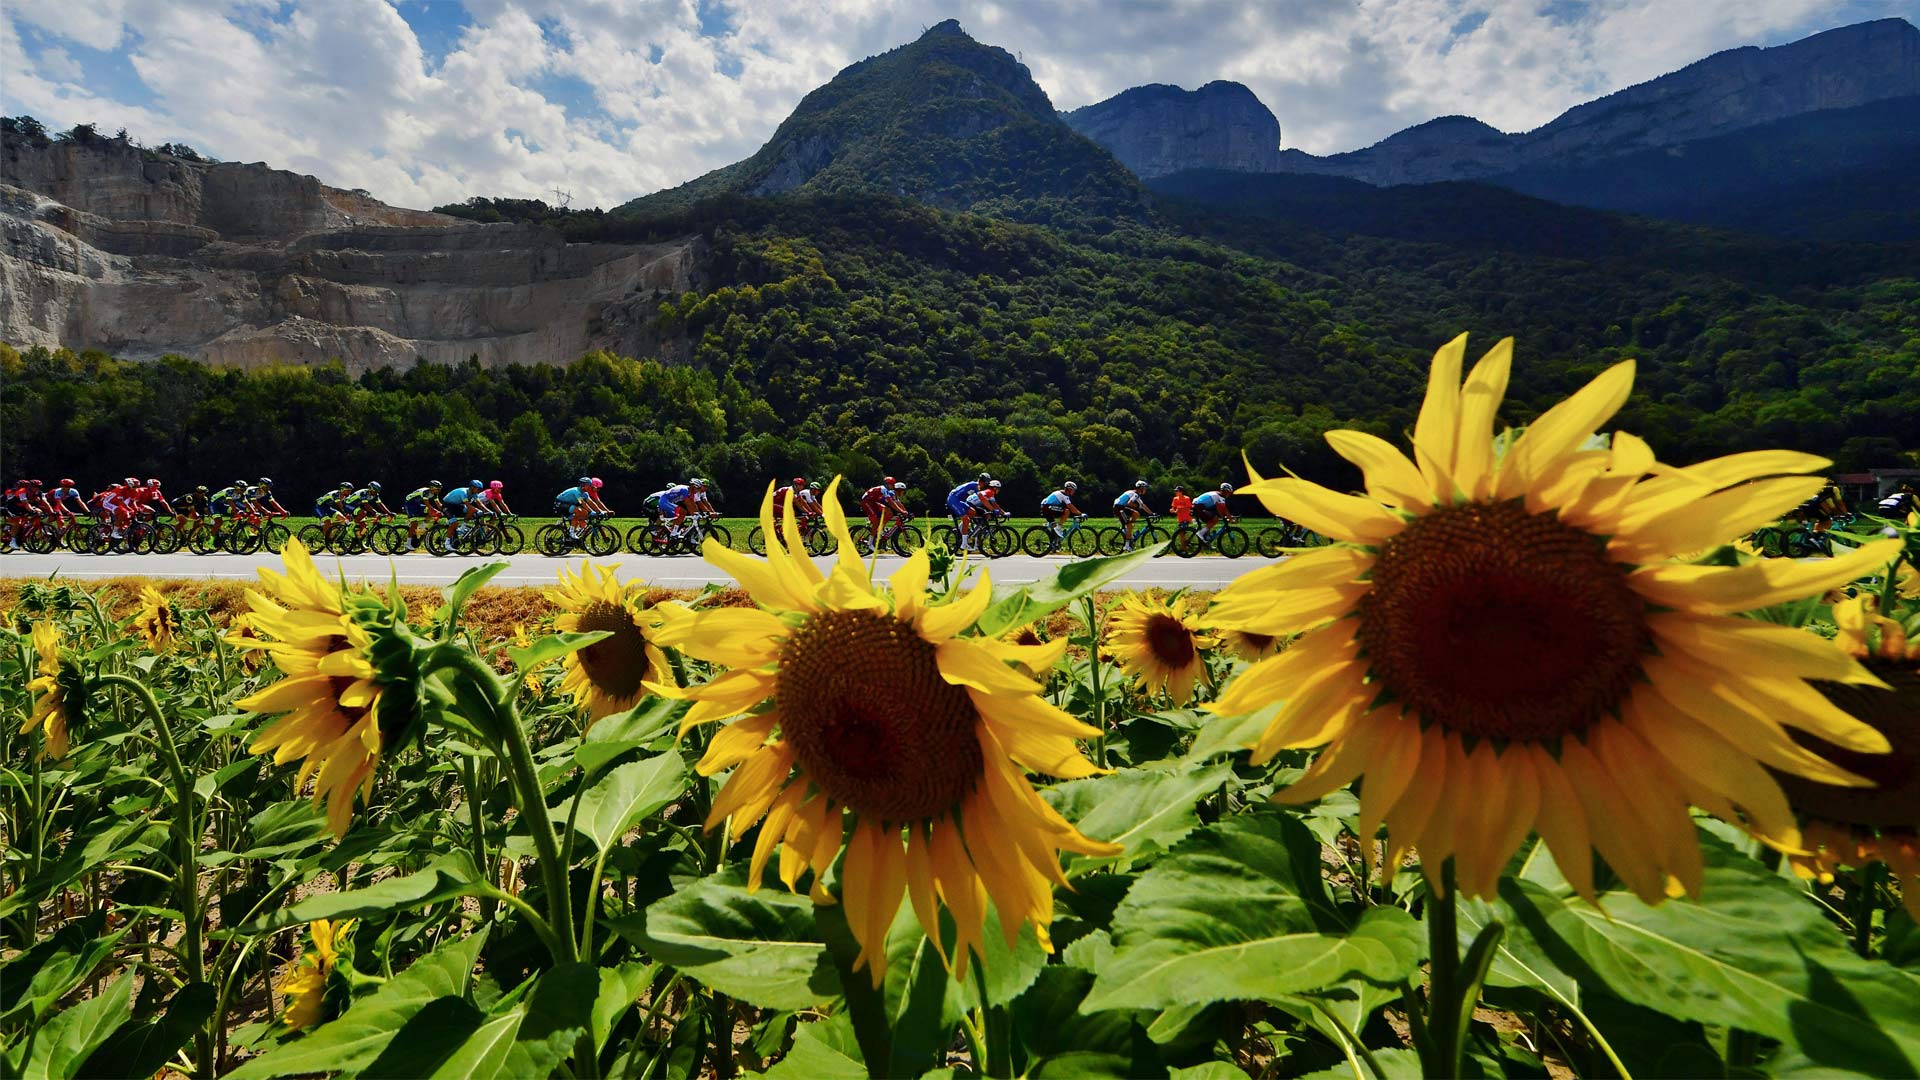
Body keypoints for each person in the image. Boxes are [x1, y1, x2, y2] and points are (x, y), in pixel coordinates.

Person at [960, 479, 1006, 552]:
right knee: (985, 517)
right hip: (971, 504)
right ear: (994, 488)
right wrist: (1004, 513)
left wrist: (998, 512)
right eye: (998, 489)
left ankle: (975, 540)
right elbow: (995, 505)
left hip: (972, 503)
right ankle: (973, 536)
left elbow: (991, 505)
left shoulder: (988, 492)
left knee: (986, 517)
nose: (999, 490)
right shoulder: (990, 492)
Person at [947, 473, 988, 546]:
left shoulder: (975, 485)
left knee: (973, 512)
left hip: (958, 500)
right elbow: (983, 499)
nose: (986, 485)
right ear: (982, 482)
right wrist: (992, 509)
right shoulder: (976, 486)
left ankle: (960, 530)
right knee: (966, 519)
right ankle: (964, 543)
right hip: (953, 499)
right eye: (986, 483)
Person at [1113, 480, 1154, 551]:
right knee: (1131, 524)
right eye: (1144, 488)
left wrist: (1152, 513)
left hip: (1120, 507)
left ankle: (1127, 530)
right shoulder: (1135, 494)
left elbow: (1143, 505)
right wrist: (1137, 507)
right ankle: (1127, 546)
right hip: (1119, 507)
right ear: (1140, 488)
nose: (1145, 490)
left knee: (1136, 515)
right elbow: (1130, 503)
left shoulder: (1135, 494)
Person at [403, 480, 444, 549]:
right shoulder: (426, 492)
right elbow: (427, 504)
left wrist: (445, 510)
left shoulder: (435, 493)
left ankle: (422, 527)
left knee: (430, 511)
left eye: (440, 489)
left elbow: (439, 504)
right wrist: (436, 511)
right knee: (414, 524)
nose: (439, 491)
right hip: (410, 504)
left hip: (417, 504)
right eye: (438, 489)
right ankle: (408, 543)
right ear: (432, 488)